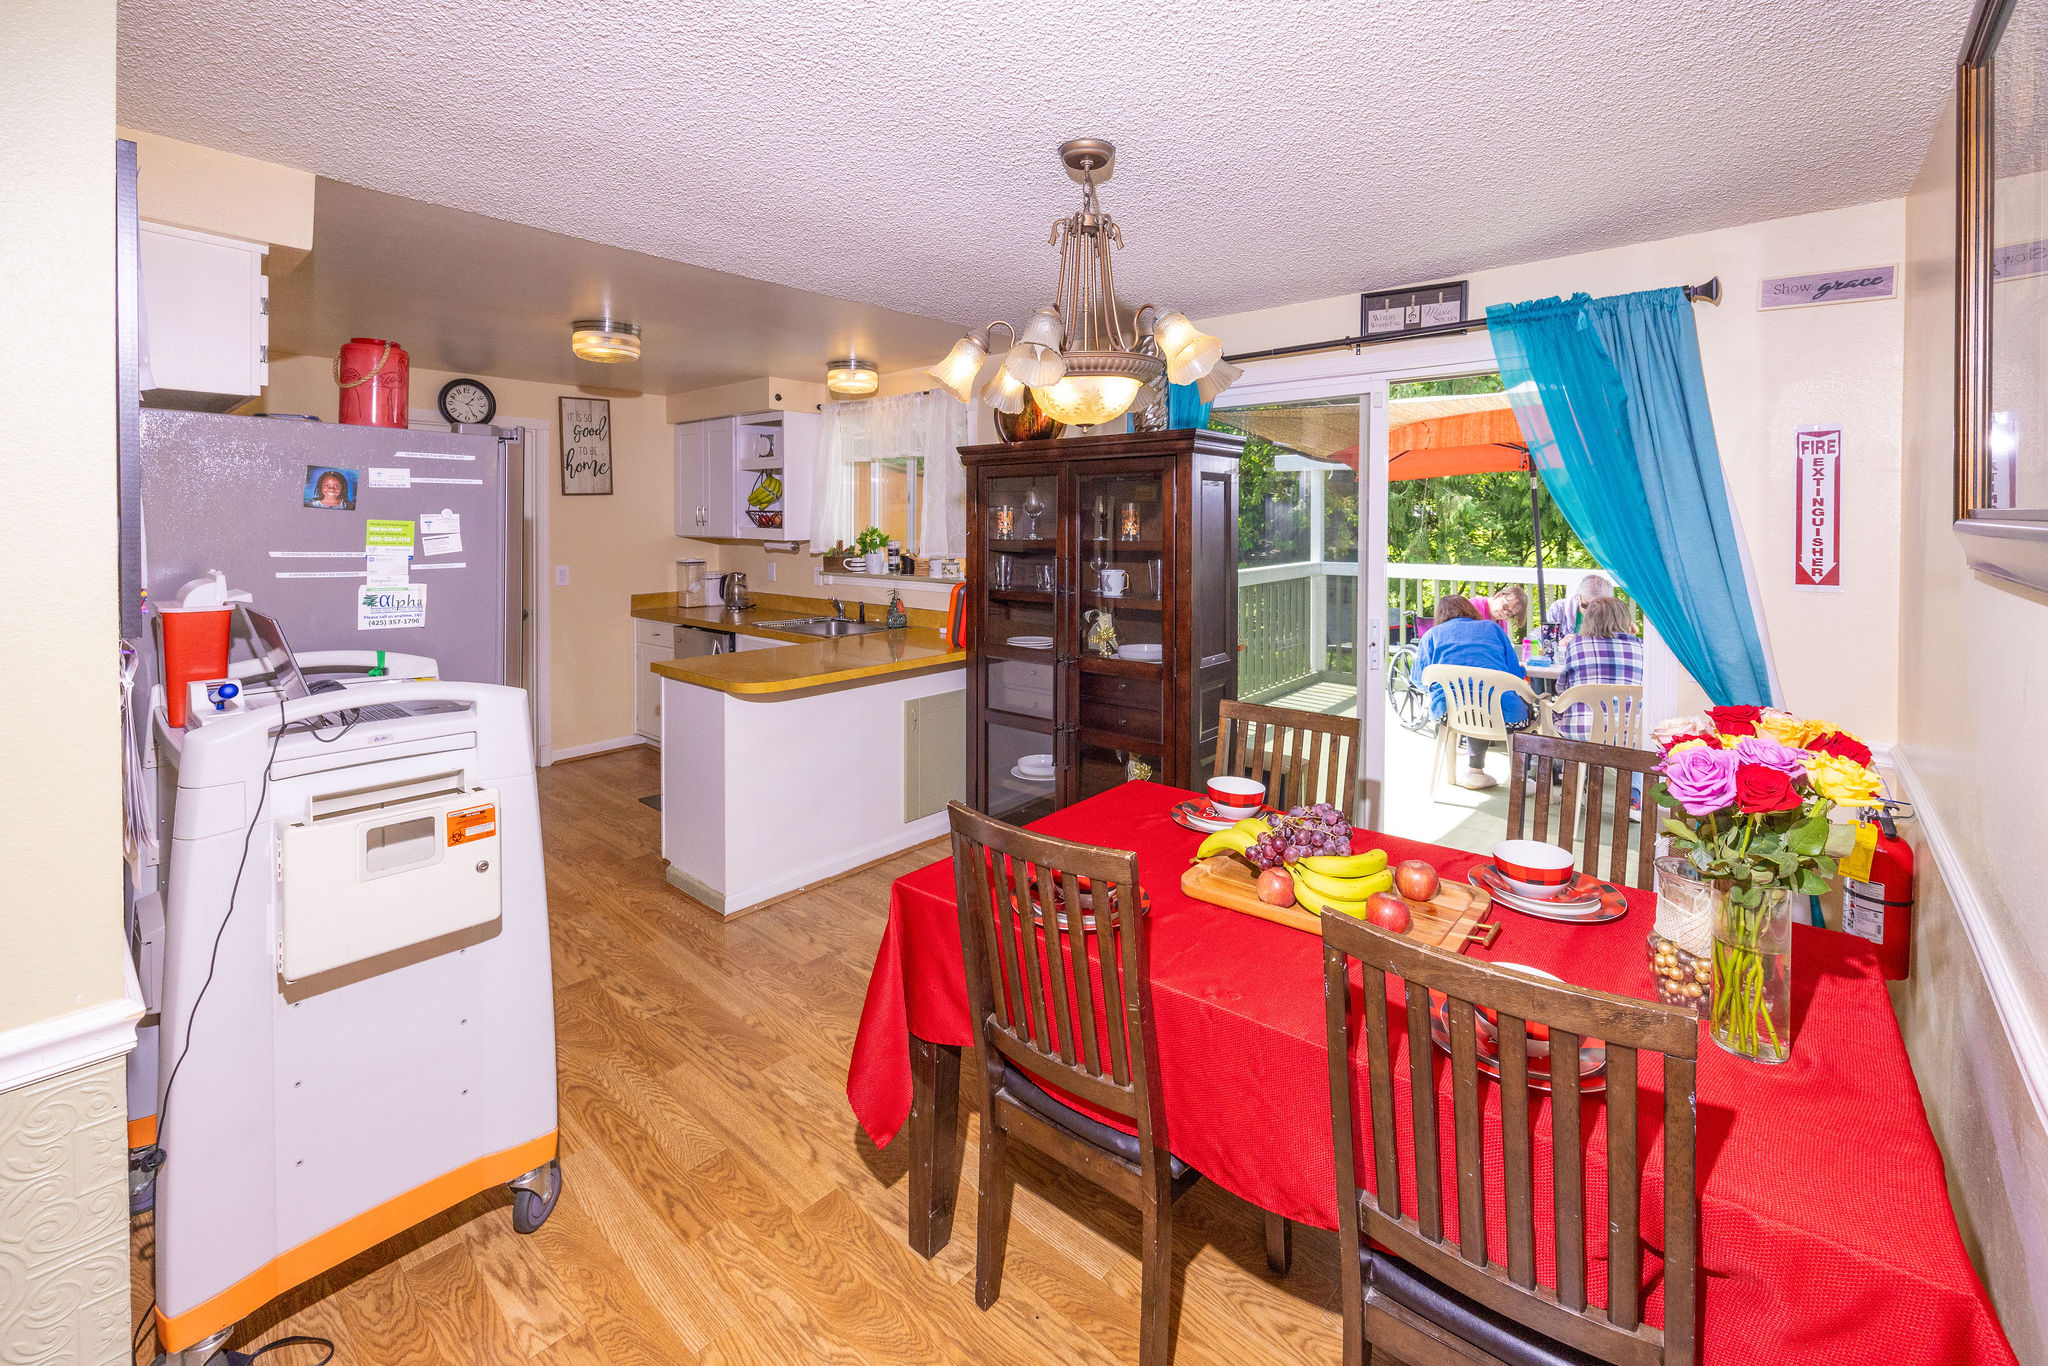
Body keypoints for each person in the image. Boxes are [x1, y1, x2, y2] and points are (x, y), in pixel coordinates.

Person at [1415, 594, 1531, 790]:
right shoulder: (1493, 629)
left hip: (1450, 714)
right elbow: (1514, 674)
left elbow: (1419, 679)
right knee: (1492, 701)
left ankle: (1474, 773)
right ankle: (1521, 778)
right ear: (1470, 609)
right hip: (1502, 715)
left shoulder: (1431, 636)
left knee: (1473, 702)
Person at [1552, 596, 1644, 740]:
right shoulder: (1641, 647)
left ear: (1589, 620)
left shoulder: (1577, 645)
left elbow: (1562, 689)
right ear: (1626, 620)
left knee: (1554, 711)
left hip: (1582, 735)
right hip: (1630, 736)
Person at [1474, 584, 1529, 648]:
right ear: (1499, 595)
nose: (1505, 613)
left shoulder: (1502, 624)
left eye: (1510, 614)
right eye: (1505, 607)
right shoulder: (1474, 606)